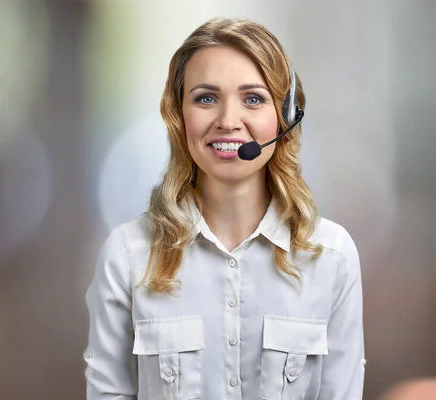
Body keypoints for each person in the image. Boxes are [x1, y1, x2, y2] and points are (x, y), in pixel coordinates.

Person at [84, 17, 365, 400]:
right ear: (178, 115)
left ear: (286, 116)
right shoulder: (129, 254)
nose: (228, 122)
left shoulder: (331, 256)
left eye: (253, 98)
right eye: (206, 98)